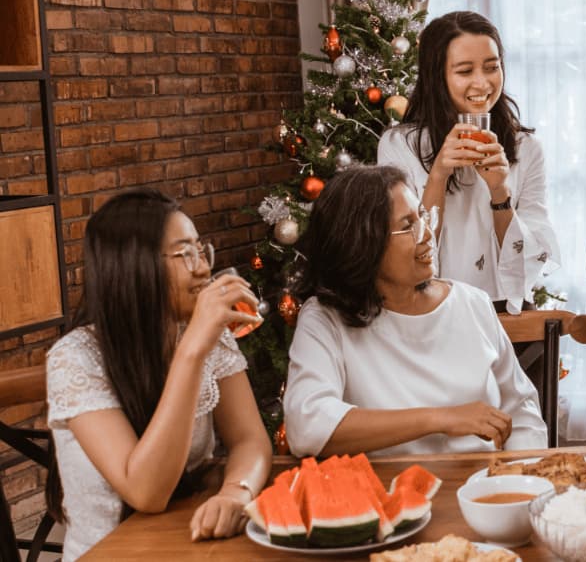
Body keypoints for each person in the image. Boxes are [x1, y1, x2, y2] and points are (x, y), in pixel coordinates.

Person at [44, 189, 272, 561]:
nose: (202, 267)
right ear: (133, 266)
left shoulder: (204, 337)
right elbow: (146, 493)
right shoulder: (75, 358)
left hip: (187, 545)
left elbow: (250, 439)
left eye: (201, 250)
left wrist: (236, 492)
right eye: (185, 254)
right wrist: (192, 351)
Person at [282, 165, 547, 457]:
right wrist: (440, 419)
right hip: (383, 496)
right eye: (408, 225)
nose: (426, 234)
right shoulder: (323, 319)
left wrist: (519, 480)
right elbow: (306, 427)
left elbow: (521, 410)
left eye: (422, 215)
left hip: (482, 488)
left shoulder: (473, 303)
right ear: (363, 243)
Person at [377, 10, 558, 315]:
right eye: (464, 71)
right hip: (429, 312)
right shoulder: (400, 145)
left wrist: (500, 192)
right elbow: (401, 253)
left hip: (506, 315)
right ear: (438, 76)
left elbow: (530, 261)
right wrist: (438, 176)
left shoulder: (525, 149)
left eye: (492, 67)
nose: (482, 83)